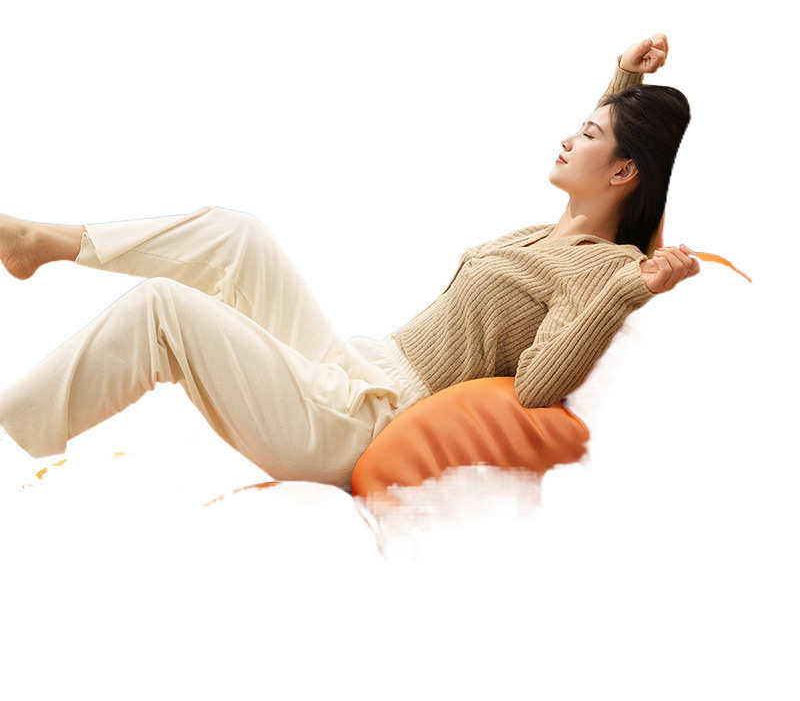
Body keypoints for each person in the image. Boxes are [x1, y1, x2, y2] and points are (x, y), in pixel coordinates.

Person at [0, 34, 699, 493]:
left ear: (622, 172)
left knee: (164, 309)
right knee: (237, 233)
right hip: (358, 367)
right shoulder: (548, 233)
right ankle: (43, 242)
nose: (568, 138)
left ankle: (10, 421)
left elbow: (540, 385)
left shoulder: (601, 272)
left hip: (365, 421)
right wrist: (627, 78)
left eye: (588, 134)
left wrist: (627, 292)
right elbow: (624, 157)